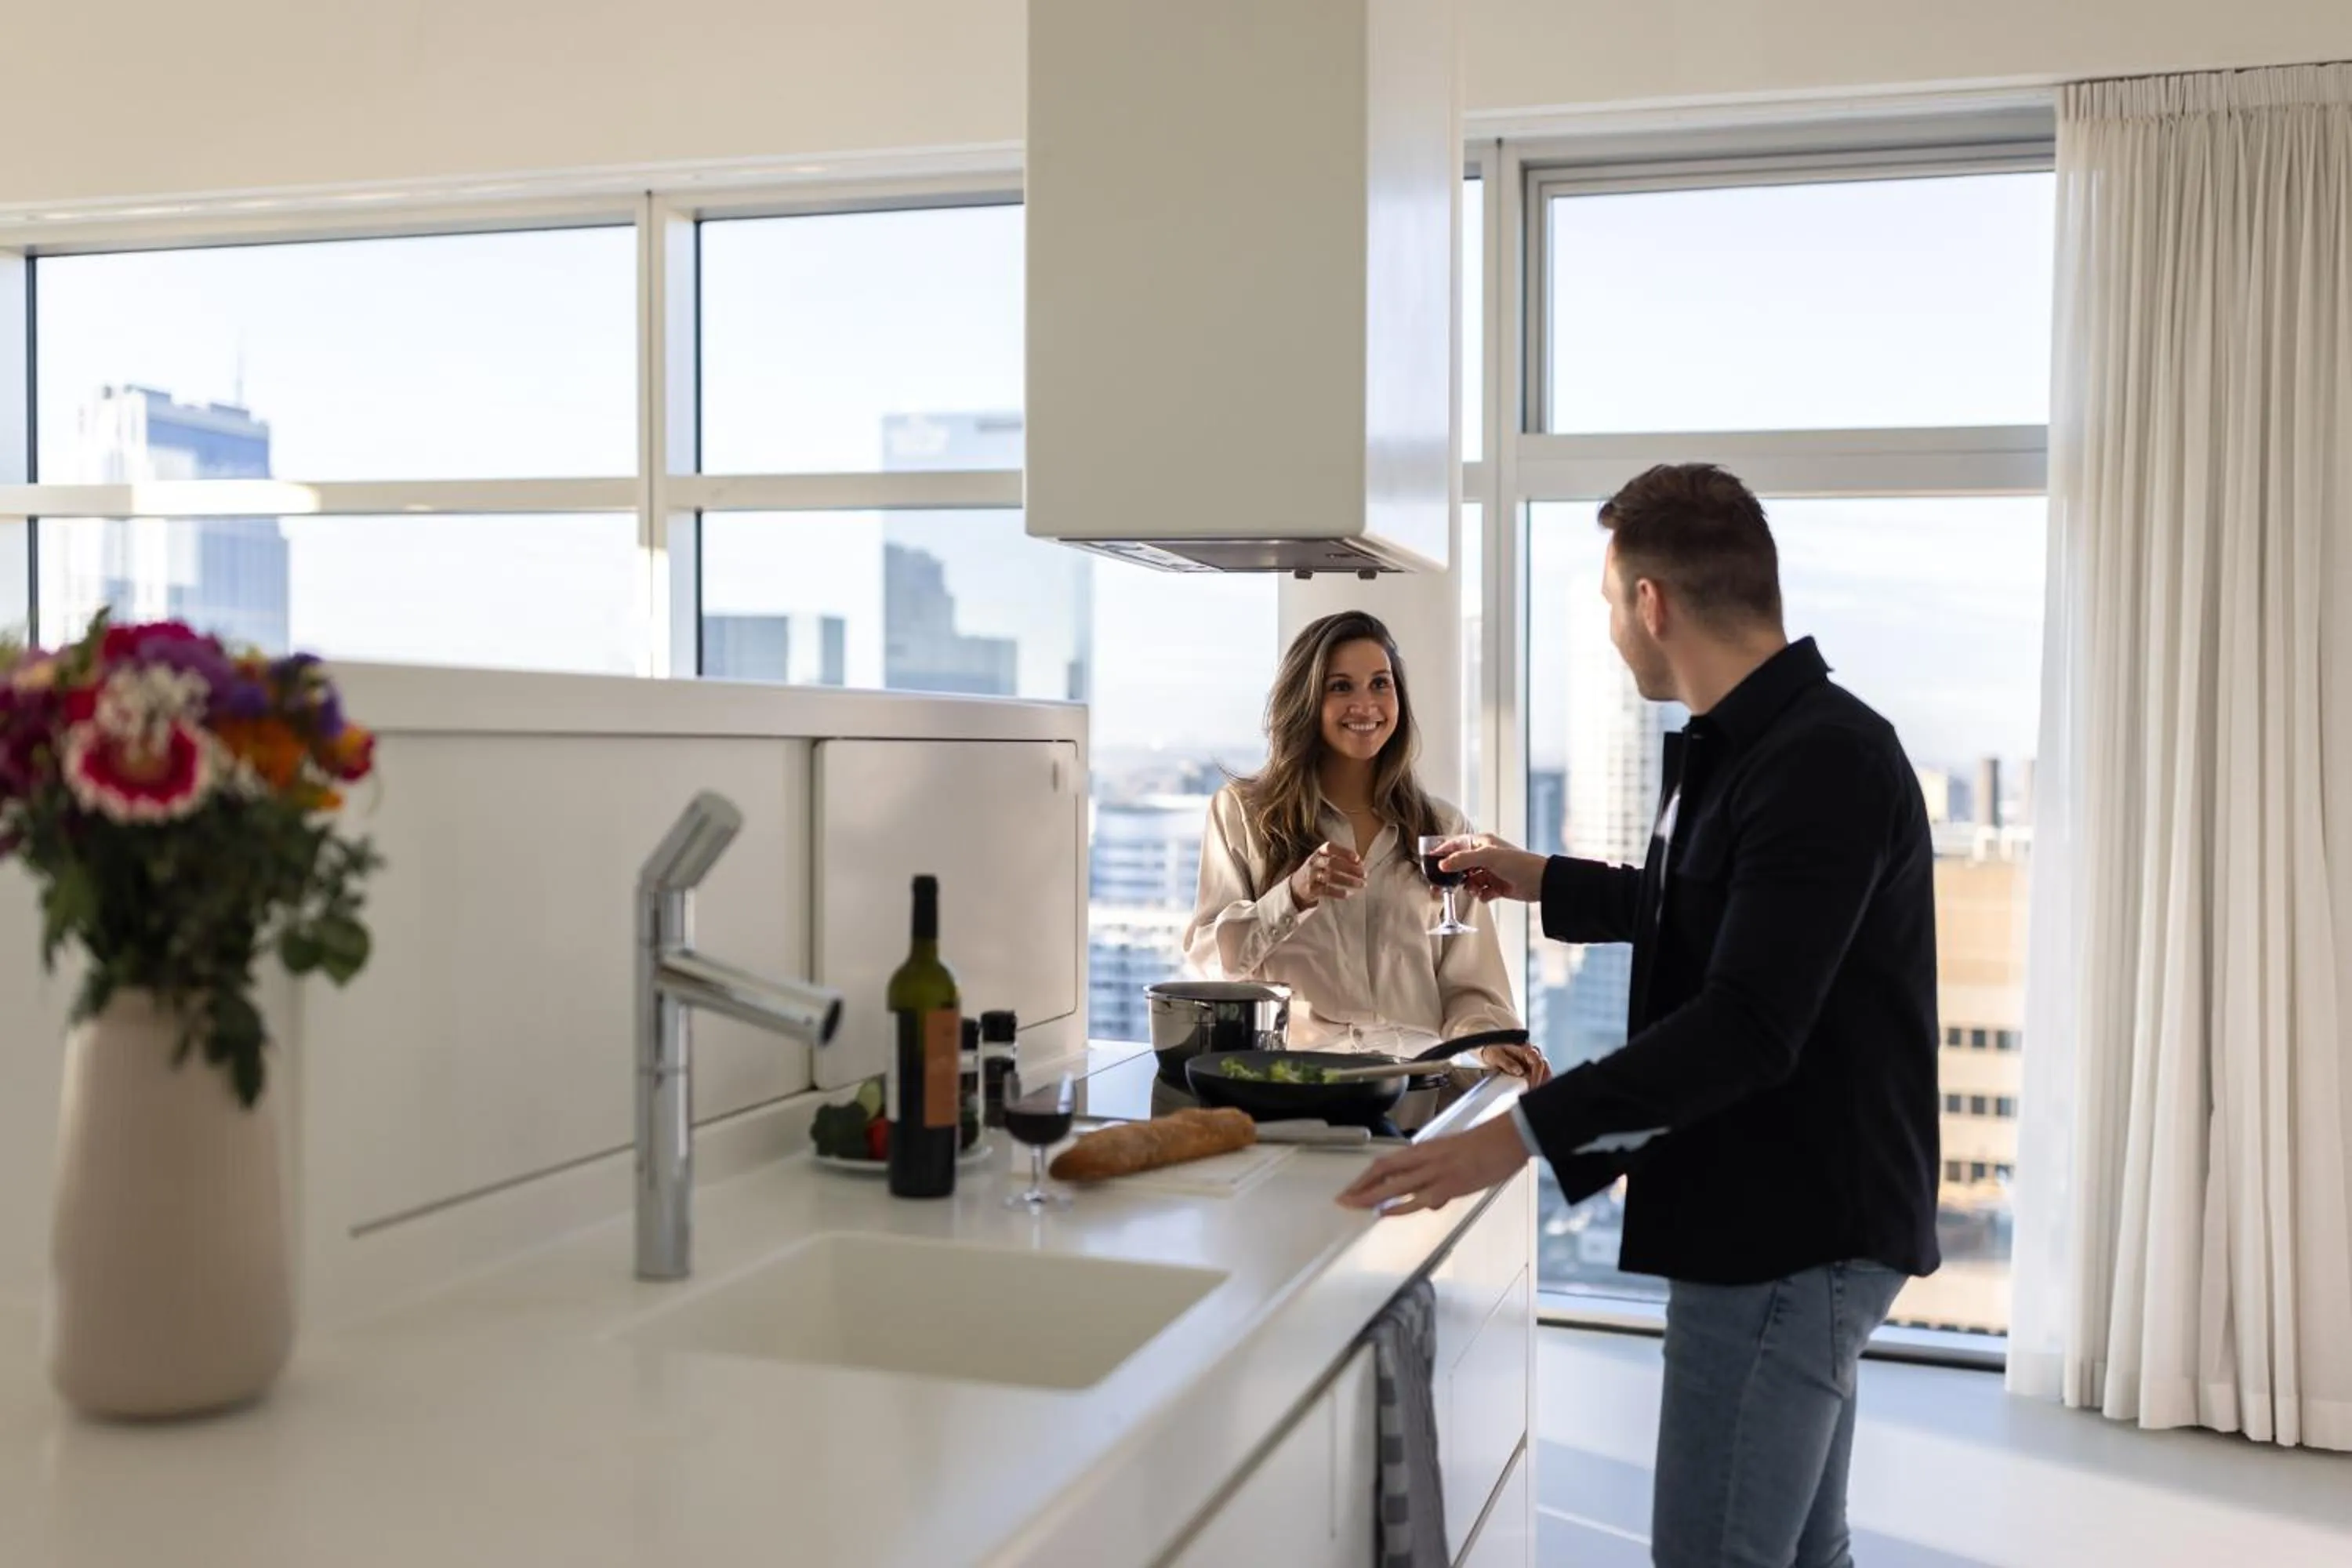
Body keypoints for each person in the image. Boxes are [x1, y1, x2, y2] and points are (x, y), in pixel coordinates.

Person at [1338, 464, 1941, 1568]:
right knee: (1806, 1554)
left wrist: (1509, 1144)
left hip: (1787, 1227)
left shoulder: (1819, 763)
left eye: (1612, 602)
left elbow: (1749, 1022)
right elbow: (1703, 908)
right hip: (1793, 1212)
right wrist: (1538, 878)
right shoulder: (1763, 741)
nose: (1614, 628)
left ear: (1650, 602)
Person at [1185, 610, 1549, 1082]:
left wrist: (1491, 1041)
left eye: (1381, 684)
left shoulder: (1441, 825)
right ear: (1307, 700)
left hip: (1417, 1082)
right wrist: (1293, 896)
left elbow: (1468, 983)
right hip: (1301, 1081)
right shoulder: (1243, 813)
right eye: (1341, 687)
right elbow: (1212, 961)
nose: (1366, 705)